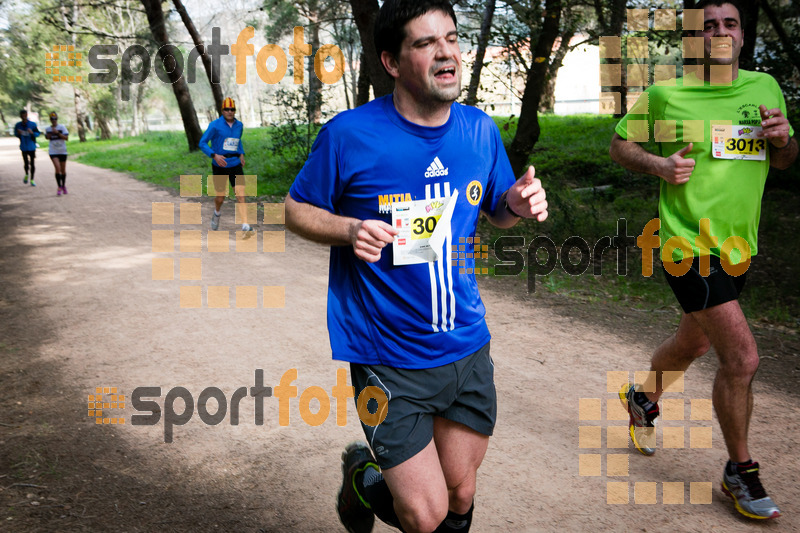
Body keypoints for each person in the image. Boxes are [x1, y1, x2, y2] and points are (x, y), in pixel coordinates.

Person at [285, 1, 548, 532]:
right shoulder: (349, 135)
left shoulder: (479, 131)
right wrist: (350, 229)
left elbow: (496, 210)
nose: (445, 51)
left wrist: (514, 206)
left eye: (450, 38)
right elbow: (295, 209)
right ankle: (362, 477)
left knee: (460, 490)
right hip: (386, 354)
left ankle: (370, 481)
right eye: (425, 43)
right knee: (425, 515)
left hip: (466, 346)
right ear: (391, 61)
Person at [609, 0, 797, 521]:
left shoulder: (764, 88)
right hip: (685, 244)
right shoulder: (669, 94)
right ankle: (741, 471)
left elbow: (784, 158)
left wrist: (783, 141)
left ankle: (642, 398)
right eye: (707, 25)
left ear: (742, 34)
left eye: (729, 23)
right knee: (742, 359)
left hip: (739, 248)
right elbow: (620, 145)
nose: (719, 32)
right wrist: (660, 165)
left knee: (693, 342)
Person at [198, 97, 252, 234]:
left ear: (235, 111)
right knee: (220, 197)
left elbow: (237, 141)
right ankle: (217, 212)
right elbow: (202, 143)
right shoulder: (214, 125)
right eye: (227, 109)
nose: (229, 112)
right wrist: (213, 155)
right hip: (219, 164)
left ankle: (245, 224)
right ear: (222, 110)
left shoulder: (239, 125)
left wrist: (241, 153)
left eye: (232, 109)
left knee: (240, 194)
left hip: (235, 164)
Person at [45, 112, 69, 195]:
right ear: (50, 120)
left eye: (55, 118)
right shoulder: (48, 129)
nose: (53, 120)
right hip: (53, 151)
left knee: (63, 171)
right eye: (52, 119)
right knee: (57, 168)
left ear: (57, 119)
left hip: (62, 151)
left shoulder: (62, 127)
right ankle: (59, 187)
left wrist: (58, 133)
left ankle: (63, 185)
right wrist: (49, 135)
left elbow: (66, 138)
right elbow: (47, 137)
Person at [14, 109, 41, 187]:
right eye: (22, 115)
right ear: (20, 116)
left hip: (31, 146)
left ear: (27, 115)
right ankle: (26, 174)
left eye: (25, 115)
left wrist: (32, 133)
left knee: (32, 163)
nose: (24, 117)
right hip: (23, 147)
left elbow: (38, 133)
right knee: (26, 162)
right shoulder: (18, 125)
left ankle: (32, 179)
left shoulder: (32, 124)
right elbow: (16, 134)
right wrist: (18, 133)